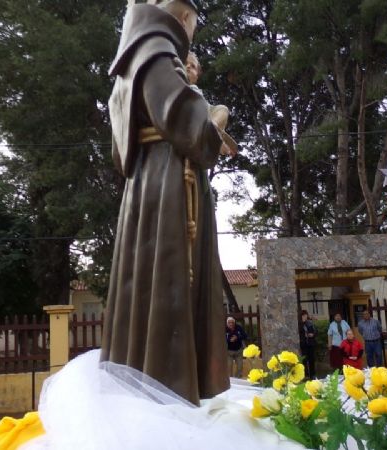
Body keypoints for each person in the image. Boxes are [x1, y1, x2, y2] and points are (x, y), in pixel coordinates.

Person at [101, 0, 234, 406]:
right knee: (171, 276)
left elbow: (121, 146)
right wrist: (215, 119)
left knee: (150, 278)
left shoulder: (132, 59)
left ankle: (156, 375)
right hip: (167, 181)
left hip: (150, 180)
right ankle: (169, 384)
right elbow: (180, 113)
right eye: (193, 24)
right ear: (182, 18)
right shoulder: (156, 48)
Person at [298, 310, 317, 378]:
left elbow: (315, 331)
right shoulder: (299, 324)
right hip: (304, 344)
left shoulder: (310, 323)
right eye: (303, 315)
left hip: (310, 343)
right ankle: (305, 374)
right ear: (301, 316)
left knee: (311, 359)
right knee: (304, 360)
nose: (305, 317)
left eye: (306, 315)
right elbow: (299, 332)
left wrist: (313, 334)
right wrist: (302, 323)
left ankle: (312, 374)